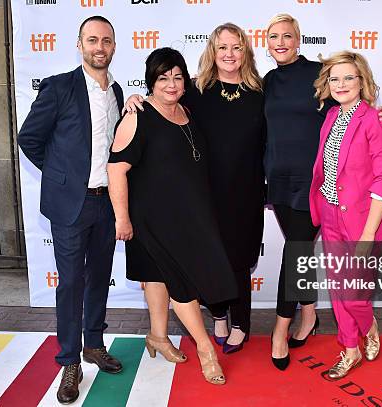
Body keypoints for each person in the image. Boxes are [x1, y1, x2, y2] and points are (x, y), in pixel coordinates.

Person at [264, 13, 382, 371]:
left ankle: (285, 329)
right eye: (273, 36)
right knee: (311, 262)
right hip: (289, 187)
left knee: (301, 257)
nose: (280, 42)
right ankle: (320, 324)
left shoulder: (319, 75)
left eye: (287, 35)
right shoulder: (270, 82)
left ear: (299, 39)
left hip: (327, 196)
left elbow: (380, 166)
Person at [124, 23, 265, 355]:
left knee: (240, 259)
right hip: (203, 193)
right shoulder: (195, 90)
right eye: (222, 47)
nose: (229, 54)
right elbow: (162, 95)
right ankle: (218, 316)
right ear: (212, 52)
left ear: (245, 51)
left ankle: (241, 323)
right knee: (208, 255)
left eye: (236, 47)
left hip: (246, 191)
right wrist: (135, 98)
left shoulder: (261, 92)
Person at [107, 47, 237, 385]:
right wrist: (122, 218)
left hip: (186, 215)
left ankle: (158, 337)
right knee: (181, 284)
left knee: (156, 275)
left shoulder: (187, 111)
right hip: (151, 218)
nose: (171, 84)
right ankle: (207, 349)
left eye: (177, 77)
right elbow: (116, 169)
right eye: (163, 78)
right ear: (151, 80)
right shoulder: (137, 115)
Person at [18, 16, 123, 404]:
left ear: (114, 47)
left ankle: (93, 345)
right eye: (92, 40)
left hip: (107, 203)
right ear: (79, 45)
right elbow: (29, 138)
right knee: (71, 284)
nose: (100, 47)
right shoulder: (59, 87)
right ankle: (69, 361)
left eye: (106, 41)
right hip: (70, 205)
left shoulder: (117, 91)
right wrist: (62, 175)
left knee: (99, 277)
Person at [310, 50, 382, 379]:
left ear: (362, 81)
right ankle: (350, 350)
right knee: (337, 289)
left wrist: (367, 234)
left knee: (355, 294)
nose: (341, 84)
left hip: (363, 221)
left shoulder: (376, 119)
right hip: (330, 214)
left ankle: (369, 323)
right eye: (335, 78)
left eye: (349, 77)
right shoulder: (332, 116)